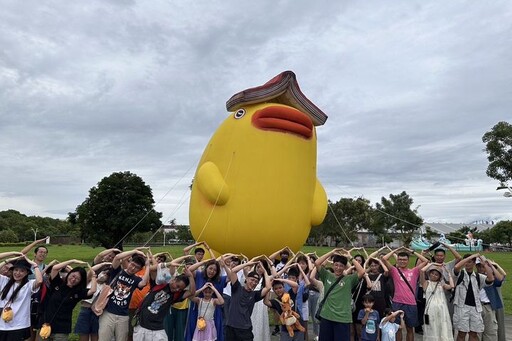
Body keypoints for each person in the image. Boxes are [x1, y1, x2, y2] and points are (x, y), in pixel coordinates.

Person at [98, 249, 150, 341]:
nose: (133, 268)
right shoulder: (117, 271)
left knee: (121, 339)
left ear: (139, 269)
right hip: (108, 312)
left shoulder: (136, 279)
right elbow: (117, 257)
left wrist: (148, 265)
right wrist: (135, 251)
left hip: (123, 316)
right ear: (129, 262)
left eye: (136, 267)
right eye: (132, 264)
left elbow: (144, 282)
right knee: (104, 338)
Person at [314, 248, 365, 341]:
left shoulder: (349, 279)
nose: (338, 268)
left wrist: (350, 257)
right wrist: (331, 253)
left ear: (345, 267)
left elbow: (362, 272)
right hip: (326, 316)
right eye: (336, 265)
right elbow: (317, 263)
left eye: (341, 266)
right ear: (333, 265)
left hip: (342, 319)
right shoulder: (327, 275)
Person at [134, 265, 195, 341]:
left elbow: (191, 292)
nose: (177, 289)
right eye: (177, 286)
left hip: (158, 329)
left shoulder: (176, 295)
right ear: (174, 279)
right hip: (141, 326)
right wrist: (167, 264)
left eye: (180, 289)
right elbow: (151, 269)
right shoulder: (160, 283)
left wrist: (190, 277)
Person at [38, 259, 96, 340]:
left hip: (62, 327)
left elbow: (92, 290)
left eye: (77, 279)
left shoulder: (78, 292)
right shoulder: (57, 283)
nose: (73, 279)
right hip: (45, 324)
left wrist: (93, 277)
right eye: (73, 276)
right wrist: (72, 261)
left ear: (80, 281)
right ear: (69, 274)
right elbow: (55, 268)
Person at [381, 246, 429, 341]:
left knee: (410, 328)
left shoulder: (414, 271)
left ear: (408, 261)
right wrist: (395, 250)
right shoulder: (394, 271)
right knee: (397, 328)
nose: (402, 261)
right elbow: (384, 259)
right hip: (397, 303)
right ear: (397, 260)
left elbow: (425, 261)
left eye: (404, 259)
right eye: (400, 259)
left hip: (411, 303)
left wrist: (411, 251)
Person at [222, 256, 271, 341]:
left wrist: (264, 270)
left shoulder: (255, 295)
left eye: (256, 281)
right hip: (231, 327)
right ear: (247, 279)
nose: (254, 283)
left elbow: (268, 287)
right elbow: (233, 271)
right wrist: (248, 263)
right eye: (252, 280)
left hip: (245, 329)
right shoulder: (236, 288)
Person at [452, 254, 494, 341]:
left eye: (470, 262)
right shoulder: (460, 274)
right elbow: (456, 267)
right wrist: (471, 257)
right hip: (461, 307)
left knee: (474, 333)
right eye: (466, 261)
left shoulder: (478, 276)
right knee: (461, 333)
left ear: (474, 263)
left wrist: (485, 264)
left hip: (475, 308)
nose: (467, 263)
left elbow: (490, 278)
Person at [0, 257, 42, 340]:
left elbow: (39, 281)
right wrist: (8, 260)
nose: (18, 273)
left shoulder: (28, 285)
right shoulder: (4, 281)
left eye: (22, 271)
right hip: (2, 325)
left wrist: (35, 265)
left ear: (27, 273)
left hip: (19, 325)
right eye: (16, 270)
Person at [186, 259, 228, 341]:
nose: (212, 271)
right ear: (206, 268)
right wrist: (203, 262)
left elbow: (231, 277)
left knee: (212, 334)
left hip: (214, 310)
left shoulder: (220, 279)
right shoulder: (199, 275)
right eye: (210, 268)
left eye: (215, 270)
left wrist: (224, 266)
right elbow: (189, 270)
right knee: (195, 331)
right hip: (197, 309)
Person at [419, 263, 454, 341]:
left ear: (439, 276)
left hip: (442, 309)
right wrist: (432, 263)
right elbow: (421, 271)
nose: (433, 275)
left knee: (442, 327)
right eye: (432, 273)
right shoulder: (426, 283)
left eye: (436, 274)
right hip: (430, 310)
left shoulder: (441, 284)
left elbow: (451, 286)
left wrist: (449, 274)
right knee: (431, 327)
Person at [475, 257, 504, 341]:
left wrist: (491, 266)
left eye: (483, 266)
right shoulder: (474, 276)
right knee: (476, 332)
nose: (481, 268)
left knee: (490, 331)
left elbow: (500, 279)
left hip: (488, 306)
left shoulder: (491, 277)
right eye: (479, 266)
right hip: (476, 306)